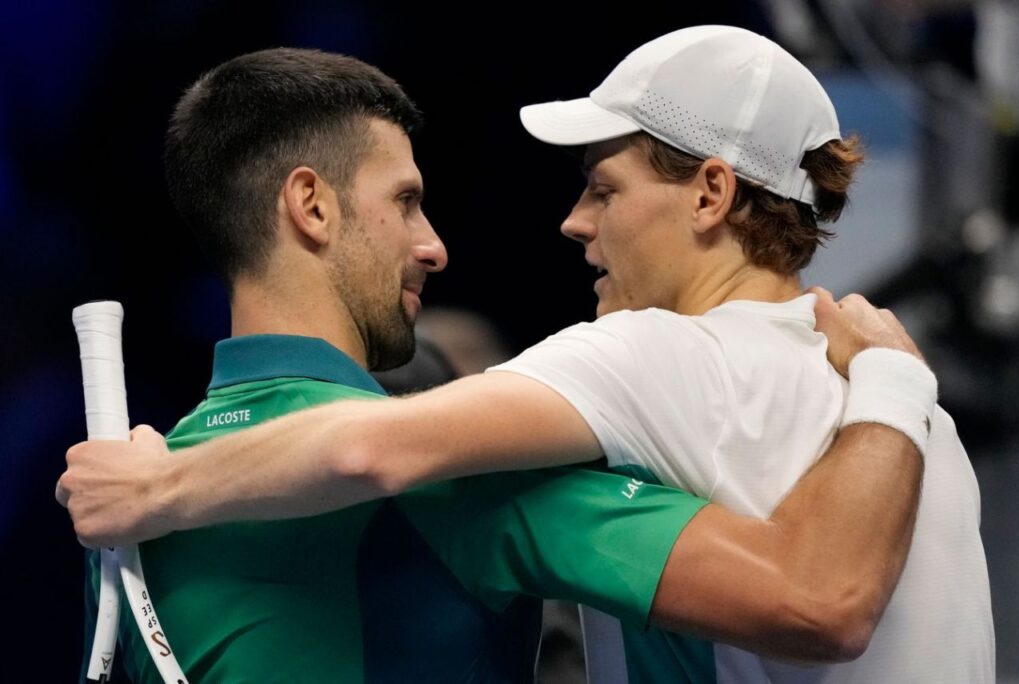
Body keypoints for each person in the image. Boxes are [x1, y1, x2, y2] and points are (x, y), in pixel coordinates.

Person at [61, 44, 938, 682]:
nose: (434, 246)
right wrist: (894, 385)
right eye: (405, 203)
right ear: (311, 206)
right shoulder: (468, 476)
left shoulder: (118, 498)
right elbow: (814, 596)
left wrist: (155, 486)